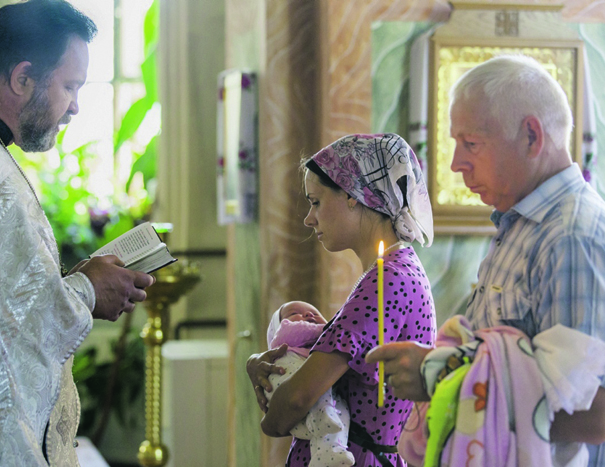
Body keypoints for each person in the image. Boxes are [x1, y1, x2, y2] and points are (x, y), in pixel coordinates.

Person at [0, 1, 154, 465]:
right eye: (69, 86)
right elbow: (22, 336)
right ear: (22, 79)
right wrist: (86, 290)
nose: (76, 105)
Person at [365, 55, 605, 466]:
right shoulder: (522, 222)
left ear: (531, 135)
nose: (457, 163)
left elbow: (593, 413)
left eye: (471, 143)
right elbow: (498, 358)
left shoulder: (570, 234)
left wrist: (438, 375)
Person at [247, 133, 437, 467]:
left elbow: (298, 398)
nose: (309, 218)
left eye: (316, 201)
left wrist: (272, 417)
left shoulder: (389, 279)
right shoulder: (389, 272)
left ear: (353, 195)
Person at [266, 301, 355, 467]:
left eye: (315, 312)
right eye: (294, 313)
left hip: (309, 414)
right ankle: (325, 418)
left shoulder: (320, 349)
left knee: (340, 409)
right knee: (318, 388)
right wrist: (335, 329)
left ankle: (329, 451)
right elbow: (295, 331)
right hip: (284, 378)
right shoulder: (285, 336)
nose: (309, 315)